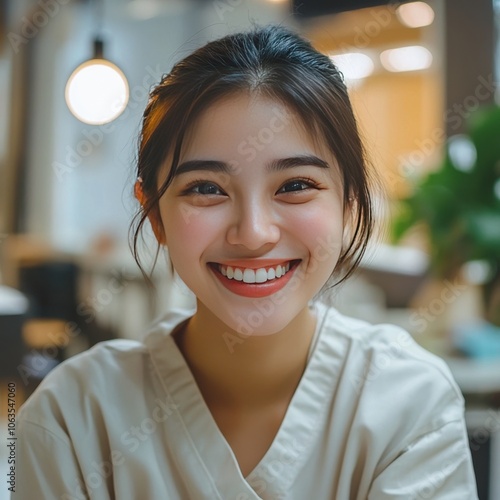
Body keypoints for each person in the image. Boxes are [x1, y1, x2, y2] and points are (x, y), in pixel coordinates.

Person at [13, 24, 478, 499]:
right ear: (154, 214)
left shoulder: (410, 402)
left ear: (350, 205)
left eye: (295, 185)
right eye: (206, 189)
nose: (254, 233)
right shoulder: (72, 419)